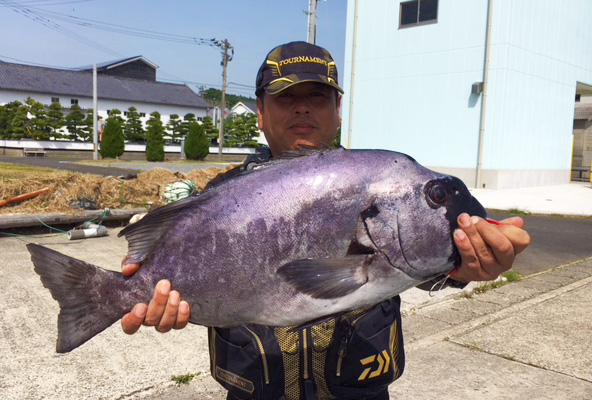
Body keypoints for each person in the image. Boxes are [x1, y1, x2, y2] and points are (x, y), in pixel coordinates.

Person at [120, 41, 531, 400]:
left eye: (317, 96)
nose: (302, 107)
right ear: (260, 112)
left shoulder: (380, 186)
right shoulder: (222, 196)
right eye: (285, 97)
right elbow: (171, 260)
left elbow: (414, 262)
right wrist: (149, 286)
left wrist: (466, 264)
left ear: (337, 110)